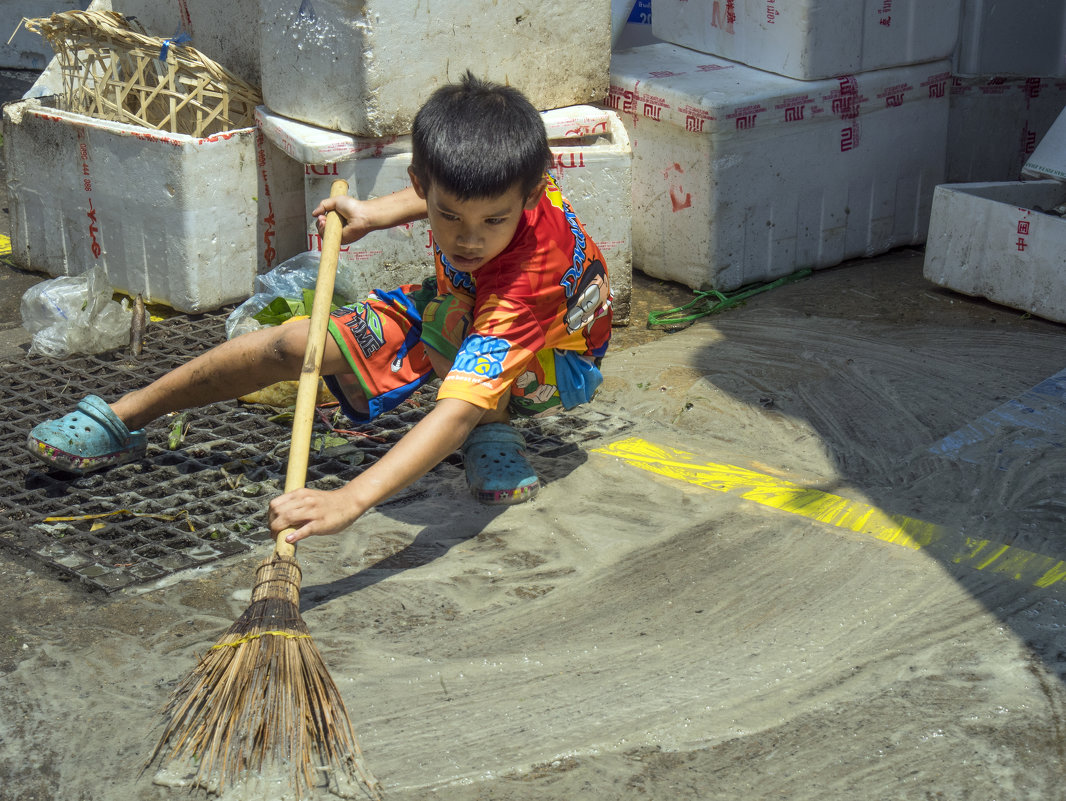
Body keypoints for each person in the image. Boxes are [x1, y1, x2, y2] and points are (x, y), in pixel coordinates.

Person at [25, 71, 613, 544]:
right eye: (448, 216)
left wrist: (349, 499)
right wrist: (376, 211)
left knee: (457, 350)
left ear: (531, 195)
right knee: (293, 343)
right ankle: (123, 419)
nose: (467, 240)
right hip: (457, 304)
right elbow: (454, 194)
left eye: (492, 222)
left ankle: (496, 429)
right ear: (425, 183)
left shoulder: (527, 283)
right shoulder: (504, 181)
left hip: (556, 358)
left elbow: (455, 407)